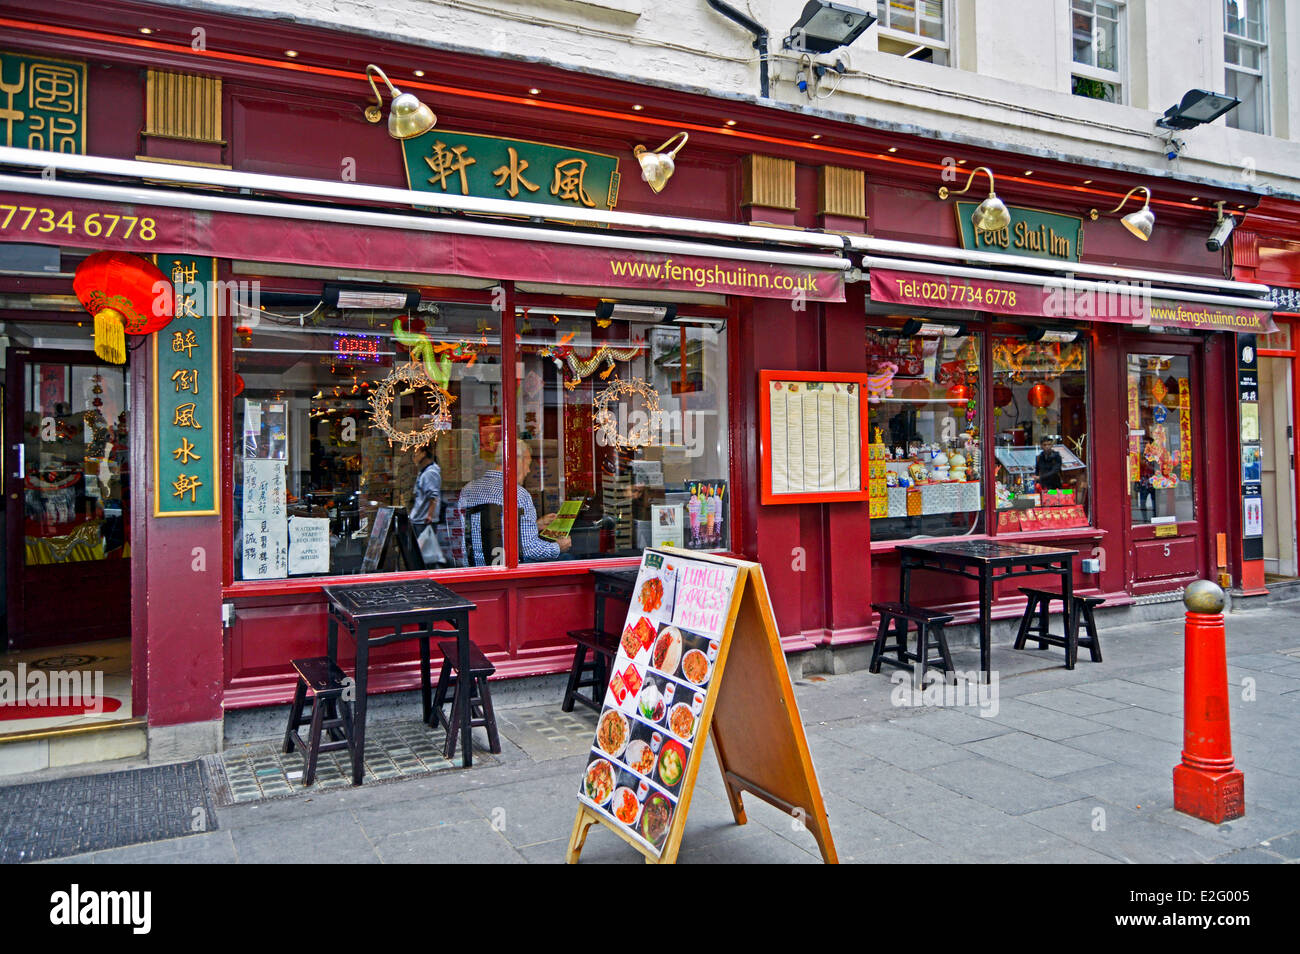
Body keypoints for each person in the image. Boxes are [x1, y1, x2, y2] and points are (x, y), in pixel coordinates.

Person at [457, 440, 570, 564]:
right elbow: (528, 549)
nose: (528, 471)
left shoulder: (468, 489)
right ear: (516, 461)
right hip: (507, 572)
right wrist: (558, 547)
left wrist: (536, 525)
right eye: (528, 464)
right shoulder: (518, 494)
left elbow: (482, 530)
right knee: (569, 559)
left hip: (475, 570)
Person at [410, 445, 442, 541]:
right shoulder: (424, 471)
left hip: (424, 521)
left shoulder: (430, 473)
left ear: (423, 454)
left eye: (416, 453)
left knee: (425, 552)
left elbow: (433, 496)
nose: (414, 457)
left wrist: (429, 516)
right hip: (419, 519)